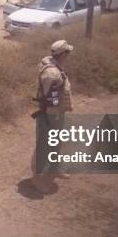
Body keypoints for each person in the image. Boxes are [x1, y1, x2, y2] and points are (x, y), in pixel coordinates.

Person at [30, 39, 73, 193]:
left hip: (57, 112)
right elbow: (50, 98)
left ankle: (54, 168)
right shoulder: (52, 74)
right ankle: (36, 178)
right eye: (68, 52)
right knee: (44, 146)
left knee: (56, 142)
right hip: (50, 114)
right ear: (63, 54)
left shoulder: (54, 64)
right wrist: (51, 117)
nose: (69, 55)